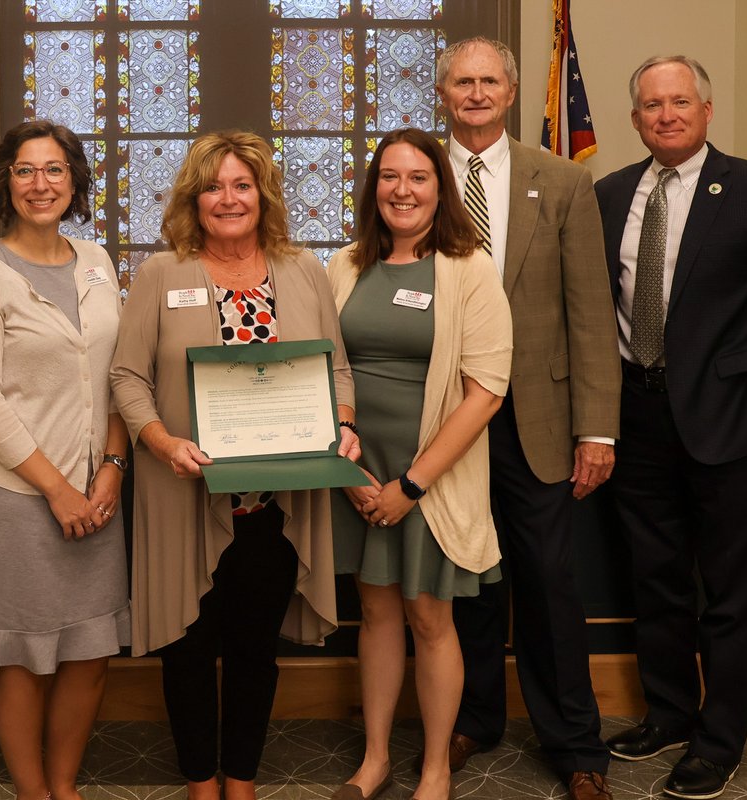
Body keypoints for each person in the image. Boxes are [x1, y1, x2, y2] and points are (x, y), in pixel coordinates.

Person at [110, 130, 359, 800]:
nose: (228, 198)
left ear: (262, 193)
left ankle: (241, 778)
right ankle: (200, 779)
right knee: (188, 650)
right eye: (214, 186)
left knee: (254, 649)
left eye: (242, 185)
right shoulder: (162, 273)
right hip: (183, 493)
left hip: (276, 502)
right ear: (194, 199)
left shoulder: (303, 267)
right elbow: (128, 377)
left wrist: (343, 423)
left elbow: (335, 367)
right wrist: (162, 442)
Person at [595, 56, 747, 800]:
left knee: (733, 592)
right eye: (652, 104)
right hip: (636, 414)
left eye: (680, 101)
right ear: (636, 117)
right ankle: (671, 713)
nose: (667, 114)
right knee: (657, 580)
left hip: (730, 419)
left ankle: (719, 740)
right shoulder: (611, 194)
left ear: (707, 110)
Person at [436, 36, 622, 800]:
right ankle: (473, 717)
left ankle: (575, 744)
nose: (475, 94)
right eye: (462, 82)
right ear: (443, 93)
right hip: (445, 419)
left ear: (512, 93)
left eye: (489, 82)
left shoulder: (565, 180)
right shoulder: (415, 173)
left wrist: (598, 429)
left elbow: (589, 311)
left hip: (538, 419)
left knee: (548, 581)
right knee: (467, 579)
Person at [328, 129, 512, 800]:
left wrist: (412, 484)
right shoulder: (346, 264)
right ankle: (375, 758)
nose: (402, 190)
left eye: (418, 178)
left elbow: (486, 392)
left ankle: (435, 768)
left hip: (430, 479)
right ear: (374, 186)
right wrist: (349, 469)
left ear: (441, 189)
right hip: (357, 470)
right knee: (374, 615)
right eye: (389, 177)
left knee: (431, 620)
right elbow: (327, 368)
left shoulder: (470, 268)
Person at [0, 119, 130, 800]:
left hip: (100, 494)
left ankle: (65, 785)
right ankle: (33, 793)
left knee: (90, 655)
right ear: (6, 183)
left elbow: (119, 375)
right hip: (22, 500)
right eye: (25, 171)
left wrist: (112, 467)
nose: (40, 184)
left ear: (74, 180)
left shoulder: (96, 260)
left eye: (54, 169)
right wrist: (59, 490)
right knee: (25, 659)